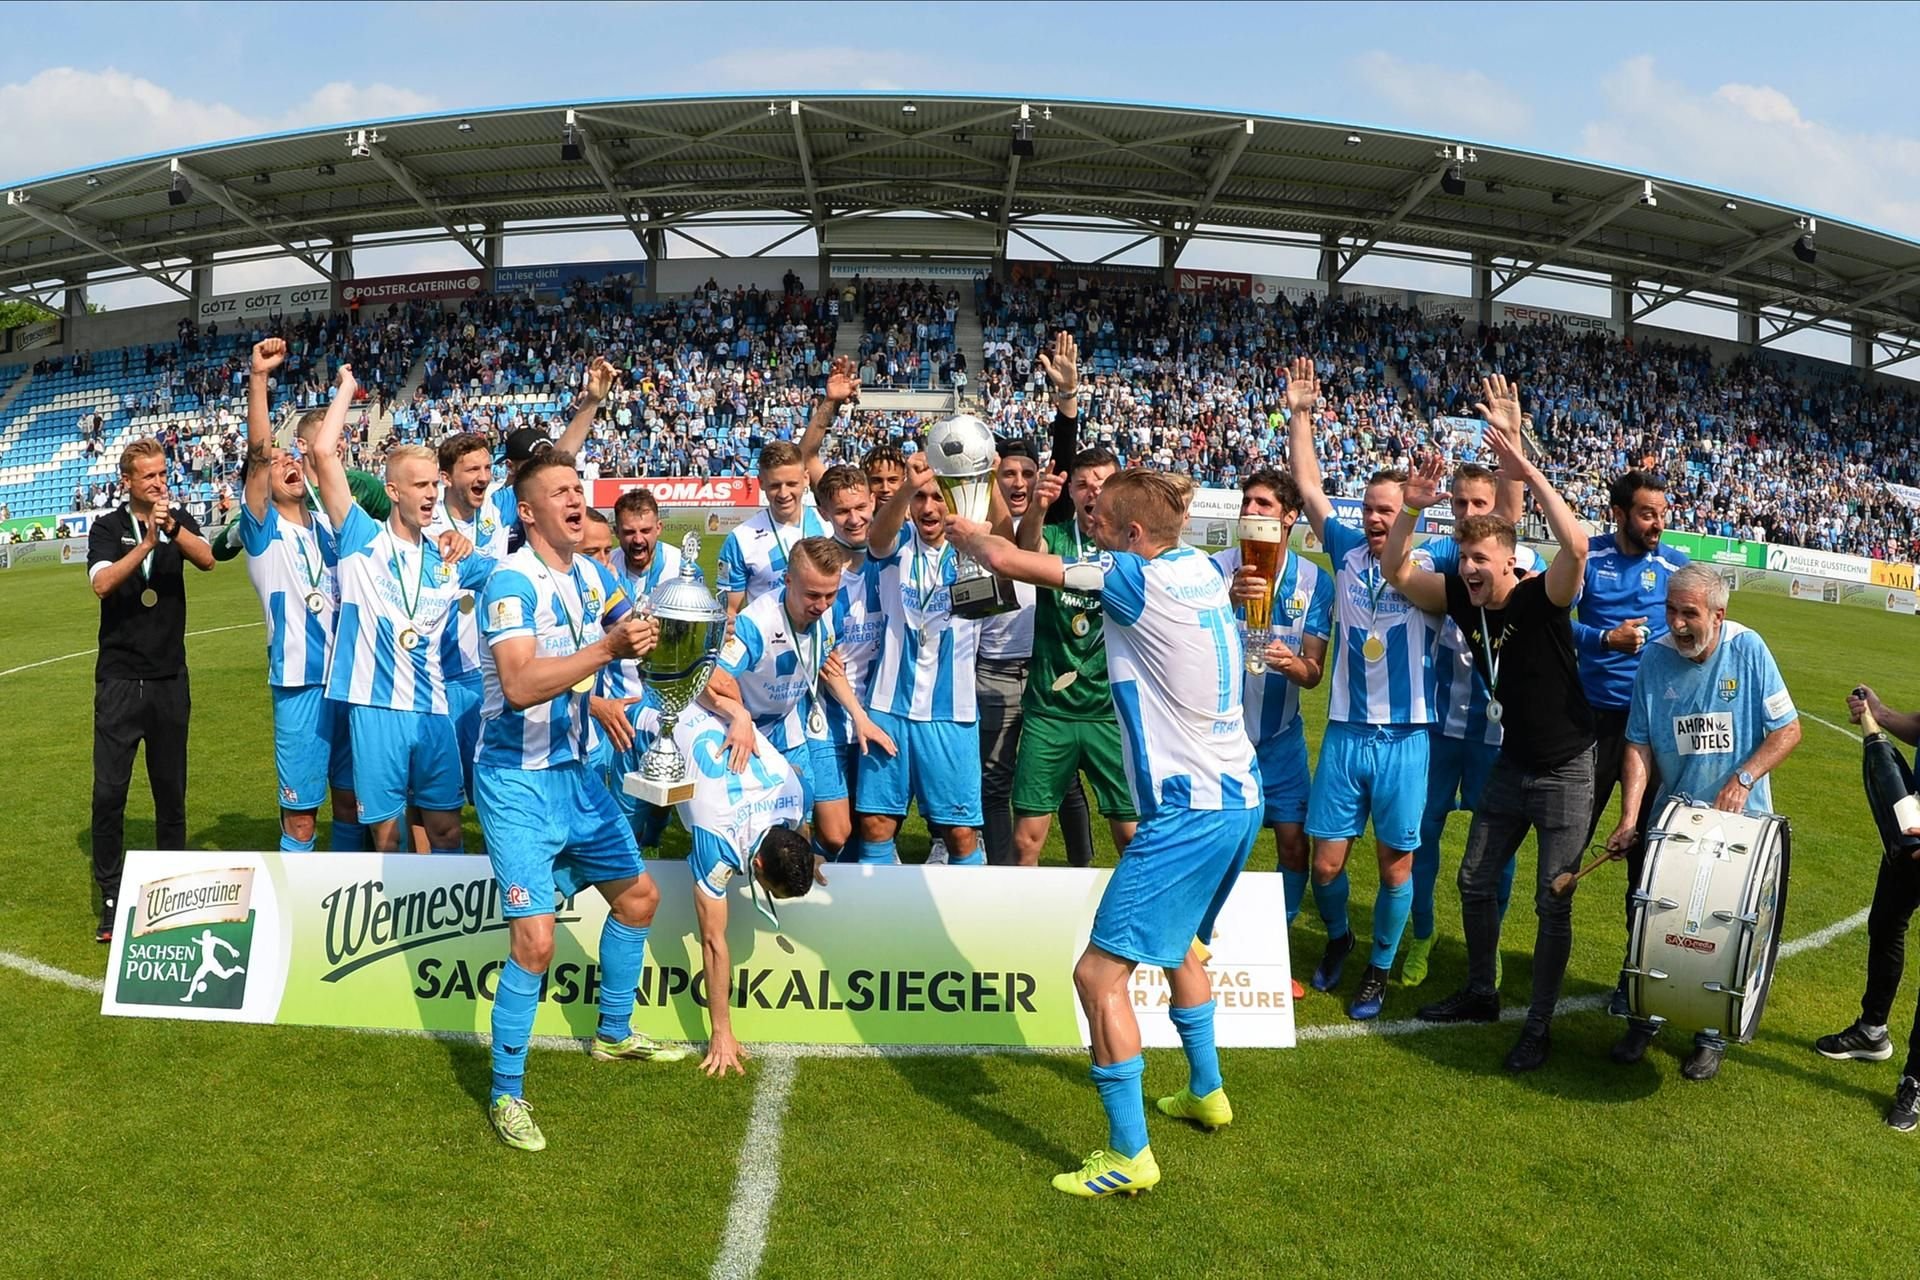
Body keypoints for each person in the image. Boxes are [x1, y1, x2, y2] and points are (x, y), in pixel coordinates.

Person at [948, 468, 1262, 1198]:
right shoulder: (1196, 569)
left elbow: (1006, 562)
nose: (1086, 522)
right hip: (1238, 798)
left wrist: (971, 531)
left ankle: (1129, 1155)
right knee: (1181, 943)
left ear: (1133, 536)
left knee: (1097, 975)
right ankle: (1207, 1090)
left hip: (1188, 812)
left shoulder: (1134, 576)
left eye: (1100, 521)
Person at [473, 447, 686, 1153]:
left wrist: (669, 635)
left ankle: (614, 1033)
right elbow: (520, 683)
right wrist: (609, 649)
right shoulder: (511, 581)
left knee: (638, 899)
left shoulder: (592, 575)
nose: (575, 499)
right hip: (516, 782)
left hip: (576, 776)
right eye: (559, 492)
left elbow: (639, 636)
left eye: (578, 488)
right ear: (528, 512)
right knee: (534, 943)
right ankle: (506, 1094)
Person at [1383, 377, 1595, 1072]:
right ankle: (1480, 990)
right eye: (1466, 558)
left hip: (1565, 766)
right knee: (1475, 879)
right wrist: (1411, 512)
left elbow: (1579, 546)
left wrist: (1527, 466)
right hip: (1513, 764)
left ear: (1510, 562)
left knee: (1551, 901)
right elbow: (1395, 572)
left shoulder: (1542, 598)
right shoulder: (1458, 599)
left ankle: (1537, 1025)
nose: (1471, 569)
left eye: (1484, 560)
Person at [1604, 563, 1802, 1079]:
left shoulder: (1749, 649)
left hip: (1739, 828)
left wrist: (1744, 778)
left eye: (1689, 613)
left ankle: (1709, 1033)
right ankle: (1643, 1014)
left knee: (1717, 931)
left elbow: (1788, 731)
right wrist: (1631, 817)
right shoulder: (1655, 659)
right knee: (1649, 917)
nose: (1677, 623)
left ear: (1719, 613)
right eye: (1671, 610)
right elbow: (1639, 744)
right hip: (1672, 822)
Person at [1286, 355, 1427, 1020]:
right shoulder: (1341, 547)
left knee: (1396, 865)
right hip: (1345, 732)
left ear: (1410, 513)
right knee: (1325, 866)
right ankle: (1341, 937)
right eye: (1369, 509)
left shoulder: (1436, 559)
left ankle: (1377, 969)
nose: (1374, 519)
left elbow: (1501, 542)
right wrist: (1303, 417)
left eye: (1387, 510)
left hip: (1407, 737)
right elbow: (1309, 487)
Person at [310, 366, 496, 854]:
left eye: (435, 484)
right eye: (420, 486)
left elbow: (509, 577)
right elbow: (323, 454)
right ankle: (395, 927)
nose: (432, 494)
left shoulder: (449, 551)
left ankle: (449, 928)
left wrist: (468, 547)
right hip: (375, 708)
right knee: (389, 838)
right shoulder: (360, 538)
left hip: (434, 709)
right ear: (393, 491)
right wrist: (348, 390)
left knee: (447, 830)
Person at [619, 698, 822, 1077]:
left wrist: (809, 858)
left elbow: (798, 815)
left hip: (699, 717)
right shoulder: (718, 841)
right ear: (756, 864)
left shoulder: (795, 794)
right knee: (622, 844)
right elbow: (712, 942)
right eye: (770, 890)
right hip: (641, 731)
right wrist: (721, 1032)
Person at [1403, 462, 1539, 986]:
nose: (1467, 514)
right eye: (1458, 504)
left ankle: (1491, 942)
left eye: (1478, 504)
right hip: (1438, 728)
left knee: (1497, 848)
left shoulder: (1525, 564)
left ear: (1500, 505)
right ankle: (1422, 935)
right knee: (1421, 838)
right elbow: (1400, 563)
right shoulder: (1444, 555)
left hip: (1496, 737)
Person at [85, 437, 214, 942]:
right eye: (150, 477)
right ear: (129, 482)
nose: (160, 483)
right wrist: (144, 543)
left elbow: (206, 560)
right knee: (108, 795)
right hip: (118, 681)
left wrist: (171, 530)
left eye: (163, 474)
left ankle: (171, 895)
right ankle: (113, 902)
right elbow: (100, 583)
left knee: (170, 795)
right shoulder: (107, 527)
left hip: (168, 681)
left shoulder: (177, 519)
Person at [237, 338, 361, 853]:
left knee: (353, 803)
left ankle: (353, 898)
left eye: (294, 458)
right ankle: (295, 915)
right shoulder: (263, 531)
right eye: (277, 462)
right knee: (303, 818)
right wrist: (260, 380)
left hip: (350, 680)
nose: (285, 462)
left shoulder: (330, 529)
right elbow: (260, 451)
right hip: (299, 684)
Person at [1211, 468, 1331, 1000]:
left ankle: (1271, 952)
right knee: (1213, 846)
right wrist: (1227, 601)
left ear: (1289, 518)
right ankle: (1196, 949)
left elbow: (1313, 674)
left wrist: (1292, 665)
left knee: (1293, 846)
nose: (1251, 512)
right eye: (1247, 502)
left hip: (1281, 741)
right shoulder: (1213, 570)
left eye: (1263, 505)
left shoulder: (1314, 583)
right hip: (1220, 740)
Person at [707, 535, 894, 863]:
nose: (821, 605)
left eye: (830, 594)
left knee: (834, 835)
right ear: (788, 580)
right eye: (812, 595)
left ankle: (805, 868)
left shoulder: (829, 615)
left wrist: (860, 718)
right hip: (747, 732)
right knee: (757, 826)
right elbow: (710, 676)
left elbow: (828, 664)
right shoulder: (757, 624)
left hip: (788, 723)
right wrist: (738, 715)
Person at [1575, 471, 1690, 985]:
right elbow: (1556, 620)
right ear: (1619, 514)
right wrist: (1604, 639)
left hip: (1652, 728)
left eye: (1663, 513)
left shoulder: (1676, 566)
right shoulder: (1587, 557)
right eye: (1647, 513)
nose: (1658, 523)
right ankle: (1549, 963)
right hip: (1591, 723)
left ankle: (1635, 973)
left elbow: (1699, 628)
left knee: (1646, 855)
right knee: (1569, 842)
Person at [856, 452, 999, 865]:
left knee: (960, 832)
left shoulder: (974, 548)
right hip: (889, 706)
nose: (929, 507)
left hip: (951, 711)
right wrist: (905, 486)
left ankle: (966, 921)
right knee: (876, 824)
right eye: (921, 498)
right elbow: (875, 540)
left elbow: (1010, 539)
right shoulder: (897, 542)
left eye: (938, 497)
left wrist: (987, 480)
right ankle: (880, 916)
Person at [979, 437, 1093, 867]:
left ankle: (1082, 867)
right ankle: (1004, 874)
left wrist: (1067, 402)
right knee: (996, 778)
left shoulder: (1054, 526)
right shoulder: (978, 526)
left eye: (1027, 473)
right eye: (1007, 473)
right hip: (995, 670)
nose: (1019, 481)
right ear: (994, 478)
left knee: (1064, 779)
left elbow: (1026, 547)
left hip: (1050, 669)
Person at [1820, 685, 1920, 1130]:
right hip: (1913, 829)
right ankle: (1872, 1030)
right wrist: (1881, 713)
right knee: (1884, 925)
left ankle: (1915, 1081)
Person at [717, 441, 826, 620]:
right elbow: (728, 611)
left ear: (806, 478)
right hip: (767, 644)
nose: (783, 494)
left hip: (820, 642)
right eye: (775, 485)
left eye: (791, 484)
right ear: (761, 482)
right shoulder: (740, 539)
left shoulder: (827, 524)